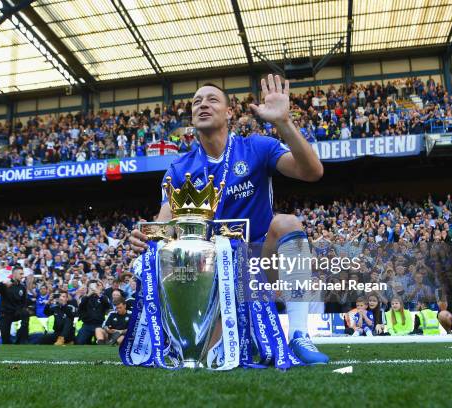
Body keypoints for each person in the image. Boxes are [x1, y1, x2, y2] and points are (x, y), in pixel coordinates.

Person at [129, 75, 328, 364]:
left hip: (258, 264)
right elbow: (165, 224)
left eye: (212, 100)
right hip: (209, 277)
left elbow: (312, 172)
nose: (202, 105)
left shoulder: (257, 147)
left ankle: (299, 335)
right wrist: (146, 235)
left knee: (287, 223)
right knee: (207, 358)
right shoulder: (179, 168)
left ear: (229, 112)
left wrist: (284, 123)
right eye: (196, 102)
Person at [0, 266, 29, 344]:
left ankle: (20, 340)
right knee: (6, 340)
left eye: (23, 274)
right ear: (14, 275)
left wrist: (20, 310)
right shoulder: (5, 284)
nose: (22, 276)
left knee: (25, 313)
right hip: (5, 314)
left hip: (16, 313)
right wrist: (2, 283)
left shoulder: (22, 287)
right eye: (21, 274)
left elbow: (23, 303)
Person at [75, 281, 111, 345]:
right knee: (79, 342)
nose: (94, 289)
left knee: (99, 343)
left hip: (99, 325)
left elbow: (108, 306)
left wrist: (99, 294)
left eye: (95, 287)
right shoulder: (85, 298)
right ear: (88, 288)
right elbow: (80, 307)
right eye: (91, 287)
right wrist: (88, 295)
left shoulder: (103, 297)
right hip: (87, 325)